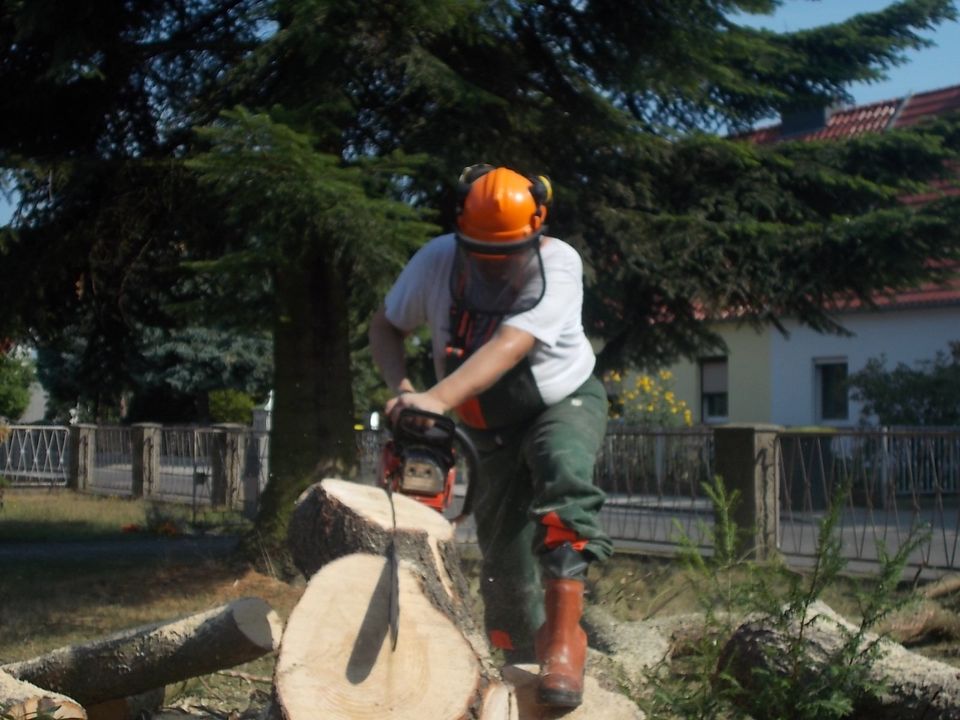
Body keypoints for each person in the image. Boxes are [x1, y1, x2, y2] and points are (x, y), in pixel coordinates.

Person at [368, 164, 612, 708]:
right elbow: (385, 324)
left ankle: (564, 643)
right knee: (502, 558)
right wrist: (402, 389)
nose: (495, 266)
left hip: (559, 401)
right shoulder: (436, 259)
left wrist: (434, 400)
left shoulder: (559, 262)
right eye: (483, 254)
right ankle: (512, 658)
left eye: (507, 254)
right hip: (483, 423)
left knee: (563, 475)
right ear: (462, 232)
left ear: (537, 227)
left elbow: (510, 344)